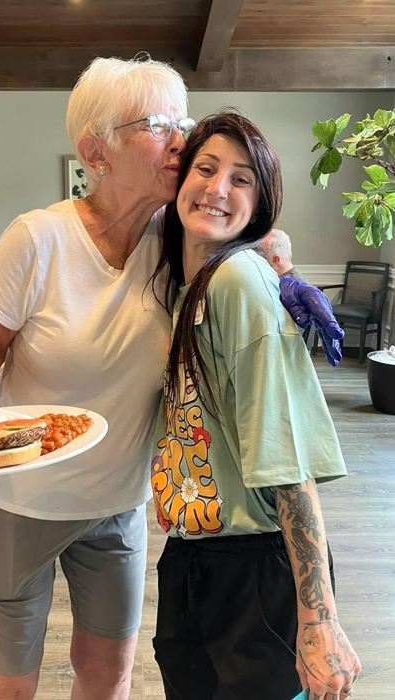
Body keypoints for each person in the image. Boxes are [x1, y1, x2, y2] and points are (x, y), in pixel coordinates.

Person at [0, 57, 343, 700]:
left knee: (109, 673)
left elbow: (237, 239)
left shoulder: (172, 234)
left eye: (183, 119)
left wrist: (282, 281)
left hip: (116, 504)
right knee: (6, 682)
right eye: (157, 124)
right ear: (96, 150)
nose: (181, 137)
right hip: (19, 499)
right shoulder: (37, 239)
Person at [150, 112, 360, 700]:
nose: (218, 189)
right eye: (206, 168)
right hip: (191, 556)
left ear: (261, 204)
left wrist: (319, 619)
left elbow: (288, 463)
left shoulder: (238, 282)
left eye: (242, 180)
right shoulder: (182, 285)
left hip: (258, 568)